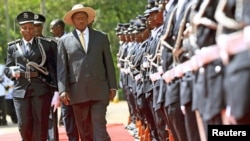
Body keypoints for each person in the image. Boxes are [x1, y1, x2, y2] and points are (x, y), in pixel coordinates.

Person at [57, 4, 117, 141]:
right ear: (73, 21)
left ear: (88, 19)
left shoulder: (101, 37)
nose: (81, 21)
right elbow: (62, 68)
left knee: (99, 126)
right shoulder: (64, 41)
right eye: (78, 18)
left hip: (99, 89)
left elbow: (109, 63)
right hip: (77, 92)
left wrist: (112, 85)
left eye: (83, 17)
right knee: (84, 130)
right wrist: (63, 90)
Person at [4, 11, 57, 141]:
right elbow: (7, 68)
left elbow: (53, 69)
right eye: (24, 28)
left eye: (31, 27)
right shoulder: (13, 47)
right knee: (24, 125)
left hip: (40, 89)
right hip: (21, 90)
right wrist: (11, 73)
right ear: (20, 30)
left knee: (41, 125)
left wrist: (56, 90)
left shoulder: (46, 45)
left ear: (35, 28)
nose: (28, 30)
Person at [50, 19, 79, 141]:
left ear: (59, 27)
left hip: (72, 84)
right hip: (57, 84)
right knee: (66, 115)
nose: (51, 31)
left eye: (53, 28)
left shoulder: (70, 39)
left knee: (75, 113)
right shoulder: (51, 42)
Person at [34, 13, 60, 141]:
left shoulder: (51, 44)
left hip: (48, 87)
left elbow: (57, 68)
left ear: (42, 26)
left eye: (39, 26)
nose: (37, 29)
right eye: (34, 26)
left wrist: (57, 90)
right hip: (31, 89)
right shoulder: (22, 46)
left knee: (50, 120)